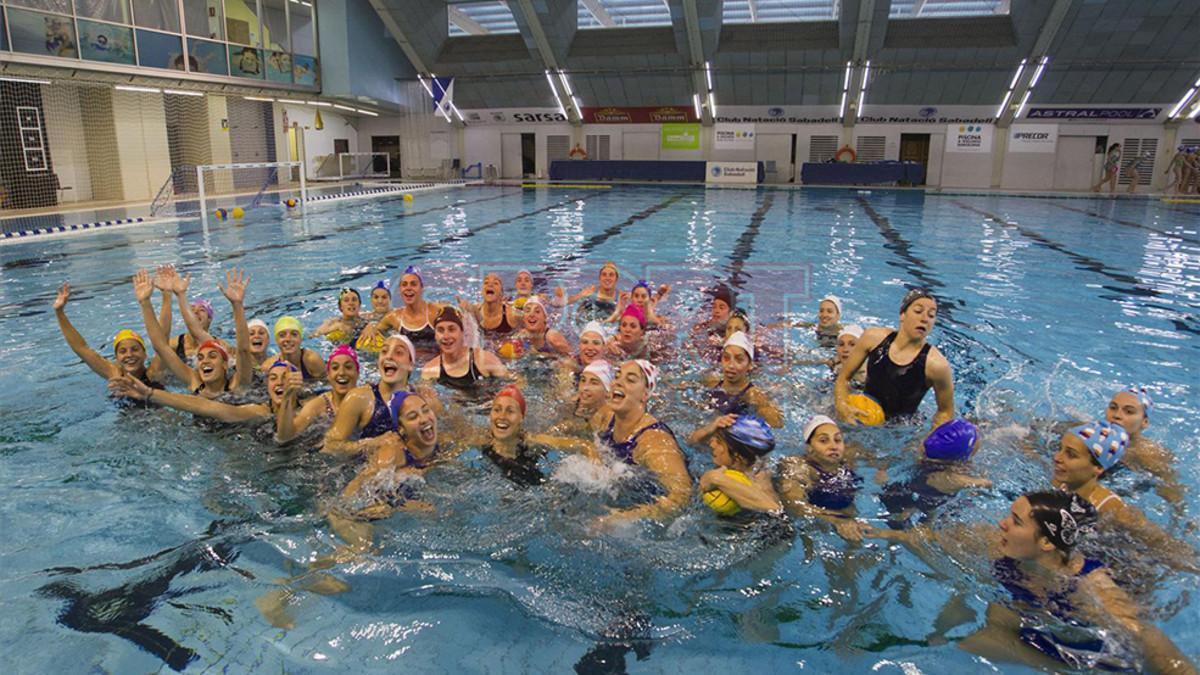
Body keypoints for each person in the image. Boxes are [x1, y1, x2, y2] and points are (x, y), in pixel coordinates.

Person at [871, 491, 1195, 673]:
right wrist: (877, 532)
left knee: (982, 638)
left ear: (1046, 544)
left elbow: (1149, 640)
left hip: (1090, 660)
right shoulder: (997, 547)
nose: (1001, 524)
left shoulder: (1092, 587)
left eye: (1015, 521)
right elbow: (927, 539)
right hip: (1030, 632)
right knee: (978, 635)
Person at [1051, 420, 1197, 572]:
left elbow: (1165, 545)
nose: (1057, 457)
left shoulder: (1110, 507)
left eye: (1071, 454)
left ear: (1098, 468)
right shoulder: (1061, 483)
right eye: (1060, 449)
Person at [590, 360, 691, 526]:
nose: (618, 382)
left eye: (630, 380)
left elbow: (681, 496)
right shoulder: (606, 416)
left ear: (645, 395)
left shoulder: (654, 442)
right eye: (617, 376)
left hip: (649, 499)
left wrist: (624, 518)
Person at [834, 288, 954, 428]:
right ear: (902, 315)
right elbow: (843, 378)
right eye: (918, 311)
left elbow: (945, 411)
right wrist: (842, 404)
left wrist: (930, 439)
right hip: (865, 413)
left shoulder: (936, 365)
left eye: (931, 315)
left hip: (901, 430)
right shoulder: (872, 338)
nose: (925, 319)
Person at [135, 269, 254, 398]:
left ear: (225, 364)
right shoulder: (195, 382)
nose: (205, 361)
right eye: (200, 358)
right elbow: (160, 346)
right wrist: (145, 302)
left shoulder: (237, 385)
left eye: (212, 356)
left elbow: (243, 350)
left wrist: (237, 305)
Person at [54, 281, 168, 389]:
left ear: (144, 354)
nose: (129, 355)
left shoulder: (154, 373)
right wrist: (59, 312)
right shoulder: (113, 374)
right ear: (116, 358)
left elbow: (162, 343)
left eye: (135, 349)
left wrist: (163, 296)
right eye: (122, 351)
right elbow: (81, 348)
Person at [687, 332, 783, 450]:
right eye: (726, 358)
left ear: (750, 365)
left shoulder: (753, 395)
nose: (731, 365)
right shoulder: (711, 381)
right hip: (710, 434)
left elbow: (777, 425)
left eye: (739, 360)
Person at [323, 334, 417, 455]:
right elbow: (330, 445)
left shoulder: (423, 400)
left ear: (411, 365)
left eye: (398, 352)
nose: (389, 356)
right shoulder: (359, 398)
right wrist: (372, 443)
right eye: (384, 351)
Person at [776, 416, 866, 540]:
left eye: (838, 439)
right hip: (812, 518)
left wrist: (882, 471)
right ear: (809, 447)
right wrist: (836, 520)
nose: (833, 446)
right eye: (824, 440)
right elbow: (794, 505)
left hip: (844, 509)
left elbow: (881, 458)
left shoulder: (848, 457)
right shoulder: (798, 466)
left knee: (858, 542)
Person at [1103, 387, 1182, 503]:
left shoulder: (1150, 455)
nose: (1117, 415)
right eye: (1113, 408)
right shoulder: (1092, 434)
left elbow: (1173, 494)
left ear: (1144, 422)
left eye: (1129, 411)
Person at [697, 415, 782, 516]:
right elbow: (692, 443)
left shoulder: (759, 477)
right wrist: (711, 427)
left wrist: (715, 479)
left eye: (719, 442)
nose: (712, 444)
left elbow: (775, 509)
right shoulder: (738, 461)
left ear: (738, 456)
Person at [275, 345, 361, 444]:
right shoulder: (318, 405)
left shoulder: (368, 398)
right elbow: (285, 437)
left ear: (357, 373)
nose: (341, 372)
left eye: (348, 367)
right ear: (328, 375)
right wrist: (287, 398)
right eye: (335, 368)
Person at [420, 306, 508, 390]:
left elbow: (514, 383)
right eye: (440, 330)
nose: (446, 336)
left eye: (452, 329)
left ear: (462, 333)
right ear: (435, 335)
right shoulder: (430, 371)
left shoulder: (484, 360)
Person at [361, 266, 443, 349]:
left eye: (413, 284)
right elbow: (377, 329)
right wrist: (371, 325)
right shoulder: (394, 317)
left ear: (422, 288)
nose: (408, 288)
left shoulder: (435, 311)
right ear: (400, 289)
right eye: (404, 284)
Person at [258, 315, 325, 383]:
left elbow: (327, 384)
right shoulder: (268, 366)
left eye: (294, 334)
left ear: (300, 339)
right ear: (276, 340)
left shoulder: (312, 360)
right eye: (282, 335)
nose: (288, 339)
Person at [556, 261, 620, 322]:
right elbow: (563, 304)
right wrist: (561, 298)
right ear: (599, 278)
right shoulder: (591, 291)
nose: (607, 278)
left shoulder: (621, 296)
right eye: (604, 275)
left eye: (611, 275)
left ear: (616, 278)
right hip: (587, 319)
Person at [459, 272, 517, 337]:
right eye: (486, 282)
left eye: (496, 283)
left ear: (501, 293)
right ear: (482, 291)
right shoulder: (474, 312)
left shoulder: (511, 314)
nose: (490, 285)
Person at [605, 279, 670, 328]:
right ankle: (659, 294)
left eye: (643, 296)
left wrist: (650, 314)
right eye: (636, 296)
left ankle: (659, 294)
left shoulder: (652, 314)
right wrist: (618, 311)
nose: (639, 300)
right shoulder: (627, 314)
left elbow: (663, 327)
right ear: (631, 299)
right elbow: (604, 325)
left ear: (649, 300)